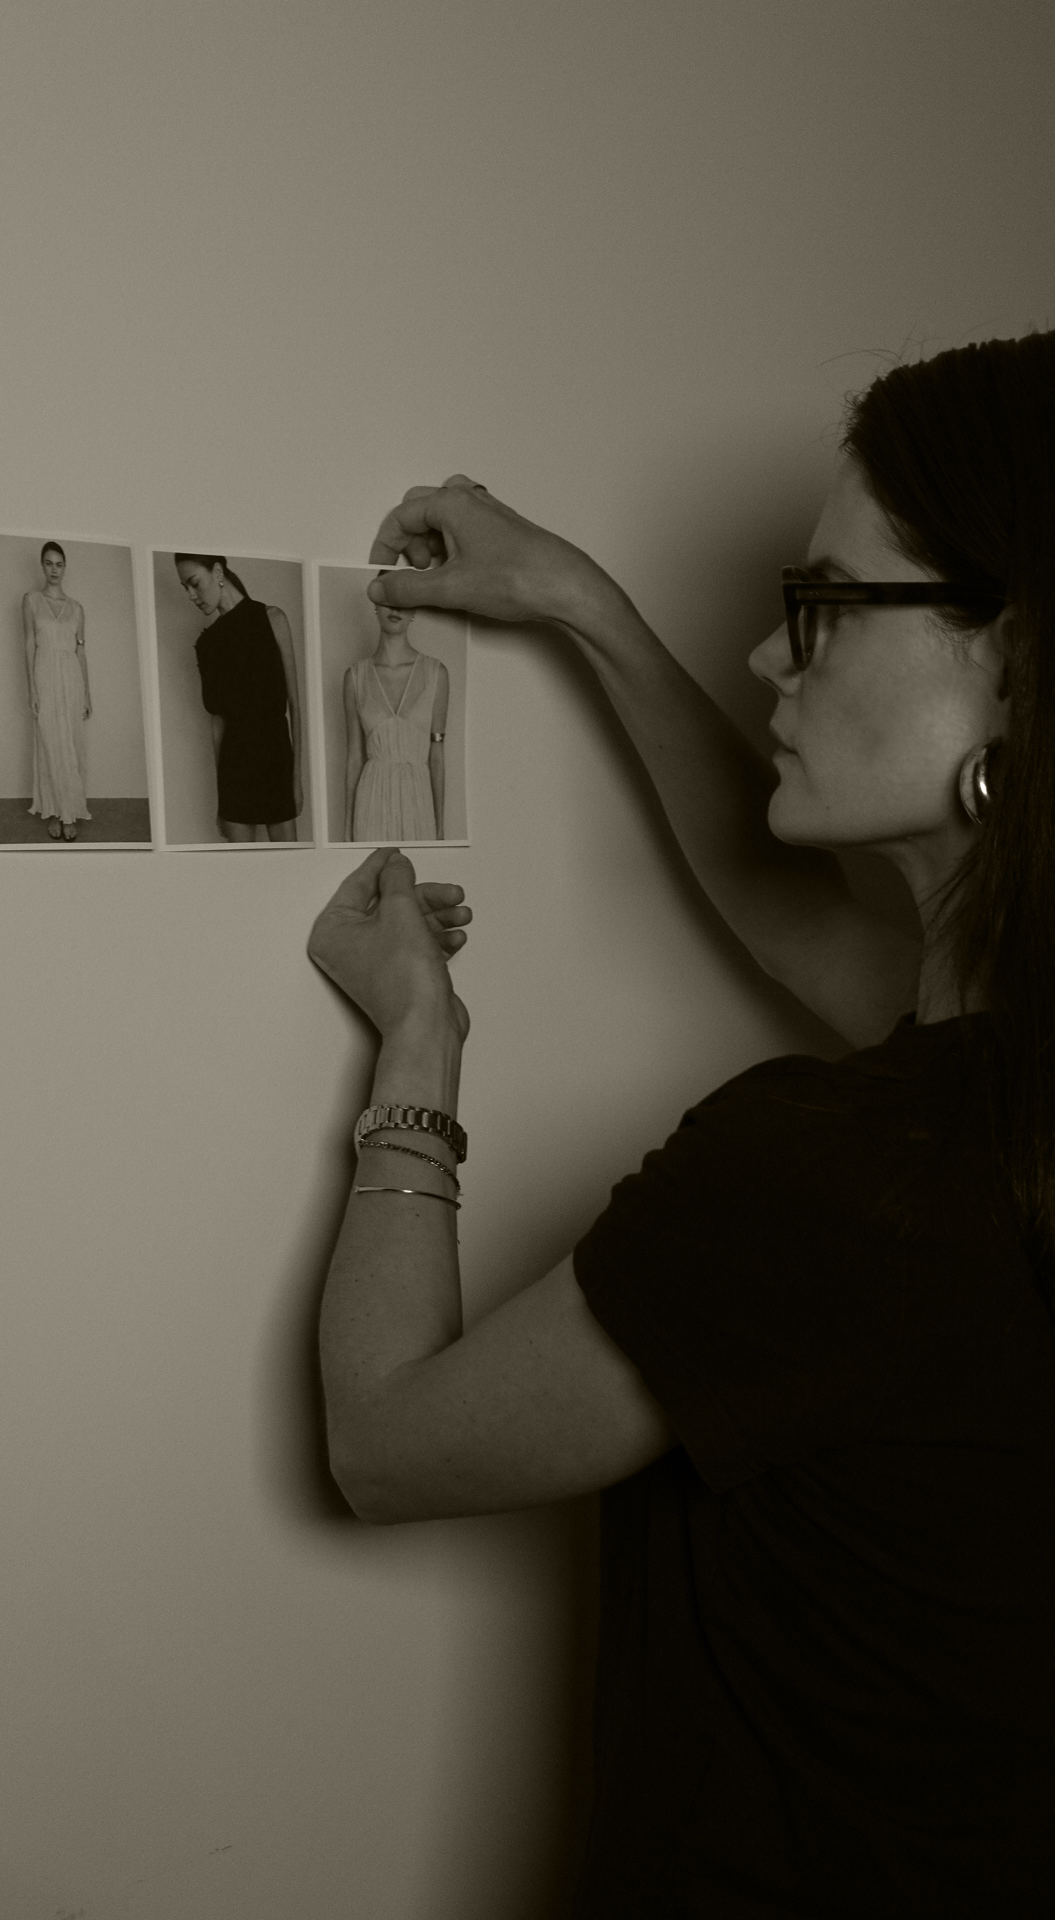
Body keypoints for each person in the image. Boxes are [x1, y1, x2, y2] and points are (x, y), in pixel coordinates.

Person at [306, 331, 1055, 1917]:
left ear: (1019, 660)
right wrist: (580, 601)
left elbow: (384, 1441)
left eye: (829, 605)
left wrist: (419, 1047)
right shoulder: (998, 1101)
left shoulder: (845, 1178)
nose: (772, 657)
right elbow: (814, 928)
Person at [174, 553, 304, 842]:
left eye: (194, 583)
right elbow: (217, 723)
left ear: (218, 572)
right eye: (185, 588)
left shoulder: (273, 619)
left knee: (288, 864)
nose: (191, 595)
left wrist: (296, 781)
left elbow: (295, 705)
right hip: (234, 771)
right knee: (241, 868)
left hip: (276, 764)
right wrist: (221, 798)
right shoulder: (207, 644)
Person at [343, 590, 448, 841]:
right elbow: (355, 756)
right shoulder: (355, 677)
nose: (395, 609)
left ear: (414, 610)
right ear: (375, 605)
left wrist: (440, 827)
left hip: (418, 801)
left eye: (404, 601)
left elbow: (437, 754)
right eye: (387, 600)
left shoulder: (436, 673)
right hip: (371, 802)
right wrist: (347, 828)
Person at [24, 540, 92, 841]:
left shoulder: (77, 608)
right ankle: (53, 811)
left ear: (65, 567)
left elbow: (81, 651)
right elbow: (29, 645)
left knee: (71, 746)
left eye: (59, 564)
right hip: (44, 675)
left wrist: (87, 693)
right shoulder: (31, 601)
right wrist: (32, 689)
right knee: (50, 745)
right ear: (42, 565)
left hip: (71, 677)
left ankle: (70, 812)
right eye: (49, 563)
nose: (54, 569)